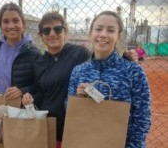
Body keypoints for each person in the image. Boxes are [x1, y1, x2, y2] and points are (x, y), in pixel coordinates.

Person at [22, 11, 138, 148]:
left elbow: (101, 63)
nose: (52, 34)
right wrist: (29, 96)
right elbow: (41, 92)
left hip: (75, 127)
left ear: (66, 32)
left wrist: (124, 59)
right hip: (47, 126)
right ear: (41, 36)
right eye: (46, 31)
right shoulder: (39, 63)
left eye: (58, 29)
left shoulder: (79, 53)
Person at [67, 11, 151, 147]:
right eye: (98, 29)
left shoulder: (133, 71)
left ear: (118, 36)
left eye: (110, 30)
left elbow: (142, 118)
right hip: (85, 142)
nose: (103, 34)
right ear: (91, 33)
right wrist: (78, 99)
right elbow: (69, 109)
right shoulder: (78, 71)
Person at [0, 2, 41, 100]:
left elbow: (40, 87)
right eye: (6, 21)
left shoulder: (33, 53)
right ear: (1, 25)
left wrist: (22, 91)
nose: (11, 26)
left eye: (15, 21)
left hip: (17, 110)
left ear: (23, 24)